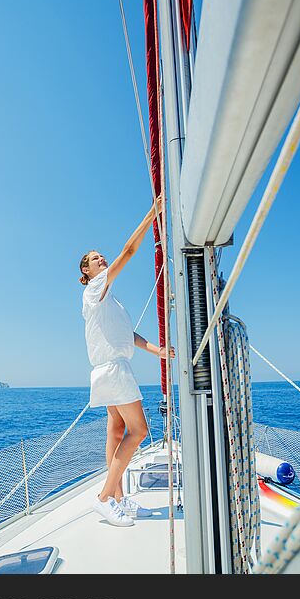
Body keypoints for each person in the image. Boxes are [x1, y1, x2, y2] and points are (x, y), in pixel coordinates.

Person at [78, 194, 175, 527]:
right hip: (113, 370)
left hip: (108, 369)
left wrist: (158, 351)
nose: (101, 258)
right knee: (140, 430)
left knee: (118, 429)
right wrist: (152, 215)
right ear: (86, 272)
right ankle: (105, 498)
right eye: (94, 258)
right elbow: (130, 252)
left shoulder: (109, 301)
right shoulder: (94, 289)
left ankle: (118, 499)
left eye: (101, 255)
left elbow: (129, 336)